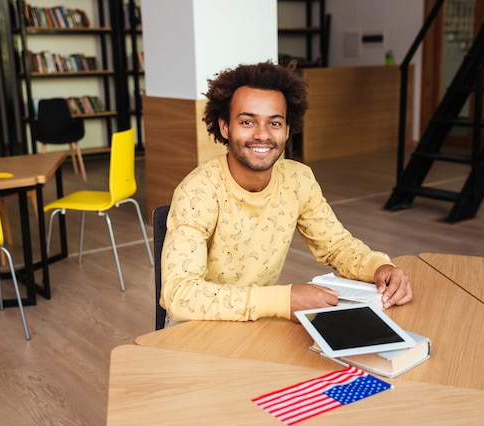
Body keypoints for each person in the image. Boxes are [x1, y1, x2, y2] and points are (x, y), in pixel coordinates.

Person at [159, 61, 413, 324]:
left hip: (257, 319)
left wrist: (379, 267)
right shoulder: (198, 191)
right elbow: (180, 295)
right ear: (225, 127)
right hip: (194, 329)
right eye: (247, 121)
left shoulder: (298, 179)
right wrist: (284, 300)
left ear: (288, 129)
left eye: (275, 123)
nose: (262, 135)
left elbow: (336, 245)